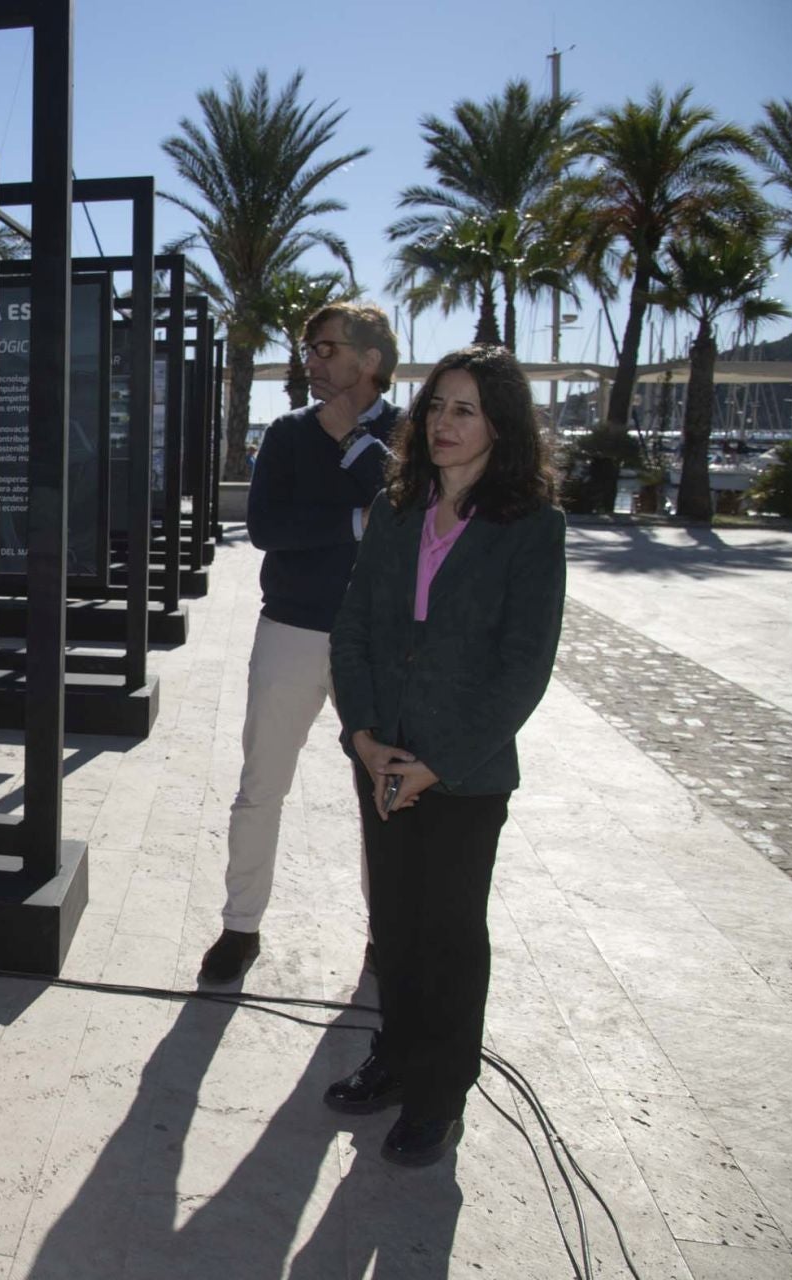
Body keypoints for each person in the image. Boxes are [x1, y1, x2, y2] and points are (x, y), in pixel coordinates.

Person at [323, 345, 566, 1166]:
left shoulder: (532, 526)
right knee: (394, 923)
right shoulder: (397, 508)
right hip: (383, 755)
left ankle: (439, 1093)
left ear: (501, 424)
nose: (444, 424)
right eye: (436, 407)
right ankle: (396, 1058)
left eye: (464, 409)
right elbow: (353, 626)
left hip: (462, 770)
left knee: (450, 934)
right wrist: (362, 736)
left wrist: (439, 761)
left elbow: (523, 668)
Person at [198, 302, 400, 984]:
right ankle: (240, 927)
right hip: (290, 629)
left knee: (384, 789)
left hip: (377, 643)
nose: (309, 360)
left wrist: (355, 447)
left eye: (323, 348)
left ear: (369, 360)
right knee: (261, 786)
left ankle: (387, 936)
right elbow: (266, 528)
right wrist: (352, 519)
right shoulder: (285, 434)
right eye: (308, 348)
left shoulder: (409, 436)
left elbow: (407, 521)